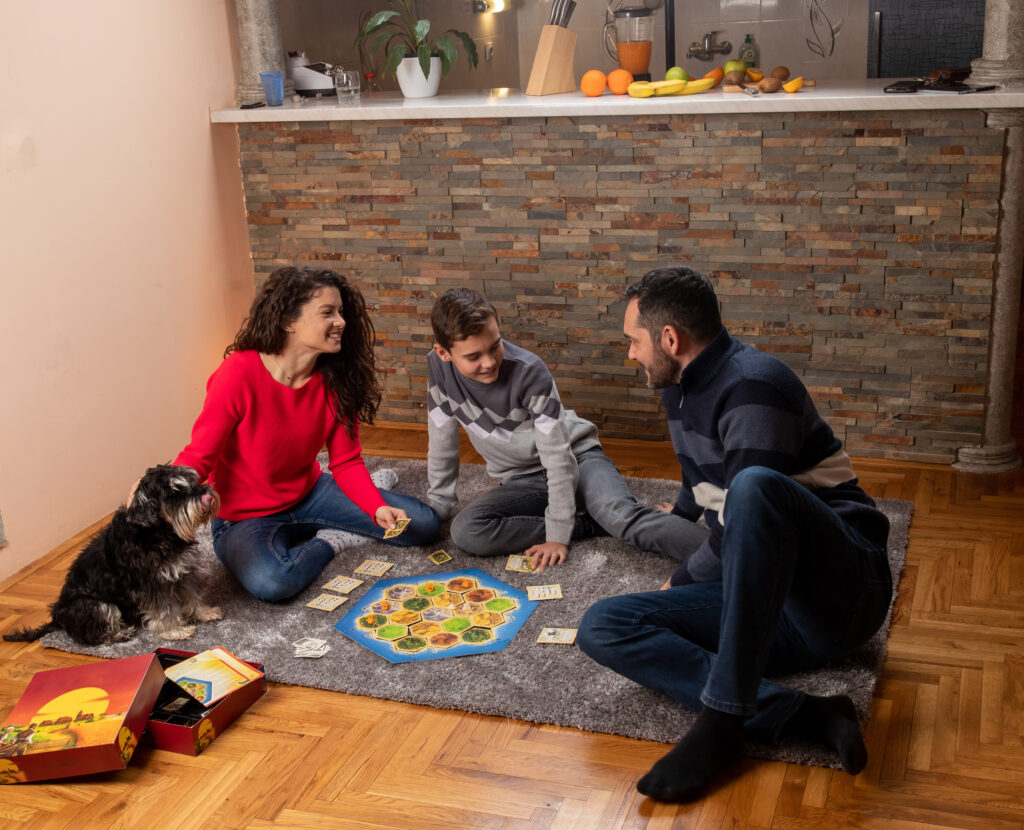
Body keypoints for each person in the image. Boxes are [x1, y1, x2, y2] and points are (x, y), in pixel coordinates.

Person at [577, 266, 893, 803]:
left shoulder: (755, 384)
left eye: (633, 341)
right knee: (603, 625)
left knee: (752, 488)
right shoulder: (679, 387)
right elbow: (702, 473)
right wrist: (679, 508)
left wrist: (682, 579)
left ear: (670, 339)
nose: (629, 354)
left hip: (842, 593)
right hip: (770, 602)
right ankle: (805, 712)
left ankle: (723, 723)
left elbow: (738, 514)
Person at [174, 266, 440, 602]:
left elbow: (345, 461)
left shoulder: (336, 380)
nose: (340, 321)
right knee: (274, 582)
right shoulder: (237, 374)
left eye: (341, 312)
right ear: (288, 321)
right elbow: (200, 455)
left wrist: (374, 506)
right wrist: (160, 492)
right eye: (327, 312)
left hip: (310, 494)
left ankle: (366, 500)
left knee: (424, 524)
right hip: (243, 518)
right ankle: (332, 539)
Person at [426, 287, 707, 572]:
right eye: (474, 357)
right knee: (466, 531)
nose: (489, 362)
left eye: (495, 346)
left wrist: (557, 536)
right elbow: (442, 442)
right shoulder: (438, 371)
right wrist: (438, 504)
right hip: (523, 480)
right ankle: (587, 523)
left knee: (621, 517)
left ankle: (733, 554)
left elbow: (558, 457)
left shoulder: (529, 372)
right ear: (443, 353)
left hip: (578, 458)